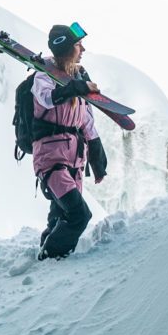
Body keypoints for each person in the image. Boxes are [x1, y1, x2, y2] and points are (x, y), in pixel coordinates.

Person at [31, 22, 110, 259]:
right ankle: (51, 255)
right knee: (79, 214)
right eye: (78, 45)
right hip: (51, 159)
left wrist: (97, 158)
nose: (83, 49)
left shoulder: (78, 77)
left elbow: (86, 120)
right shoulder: (43, 76)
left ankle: (51, 255)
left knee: (61, 213)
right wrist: (76, 87)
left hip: (74, 158)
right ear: (66, 48)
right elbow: (46, 99)